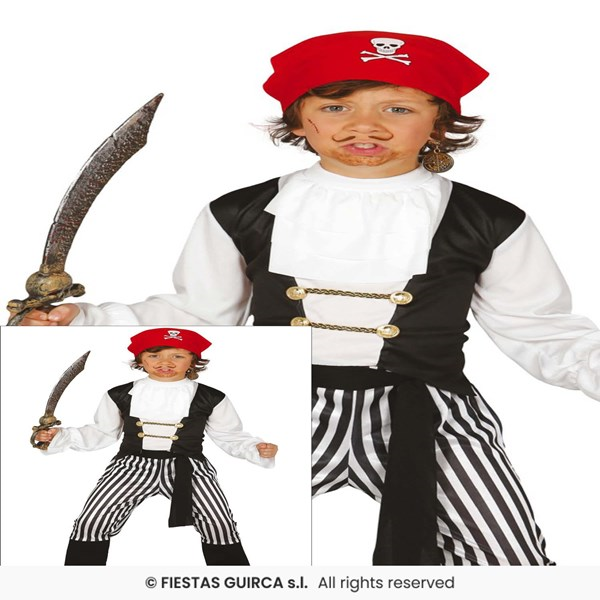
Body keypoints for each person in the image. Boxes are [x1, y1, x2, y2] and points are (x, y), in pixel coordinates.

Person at [17, 31, 600, 565]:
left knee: (505, 554)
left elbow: (538, 327)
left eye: (398, 108)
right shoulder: (239, 212)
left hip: (429, 410)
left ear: (439, 121)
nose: (365, 126)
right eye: (336, 107)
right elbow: (199, 313)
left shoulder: (490, 219)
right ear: (299, 119)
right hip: (292, 405)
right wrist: (80, 319)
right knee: (242, 538)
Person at [34, 327, 278, 566]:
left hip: (189, 468)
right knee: (92, 521)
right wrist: (60, 436)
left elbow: (229, 435)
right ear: (141, 359)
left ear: (193, 360)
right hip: (130, 466)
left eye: (177, 356)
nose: (165, 363)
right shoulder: (119, 394)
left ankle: (234, 581)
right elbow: (102, 432)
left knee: (219, 524)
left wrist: (255, 448)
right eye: (154, 355)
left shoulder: (211, 397)